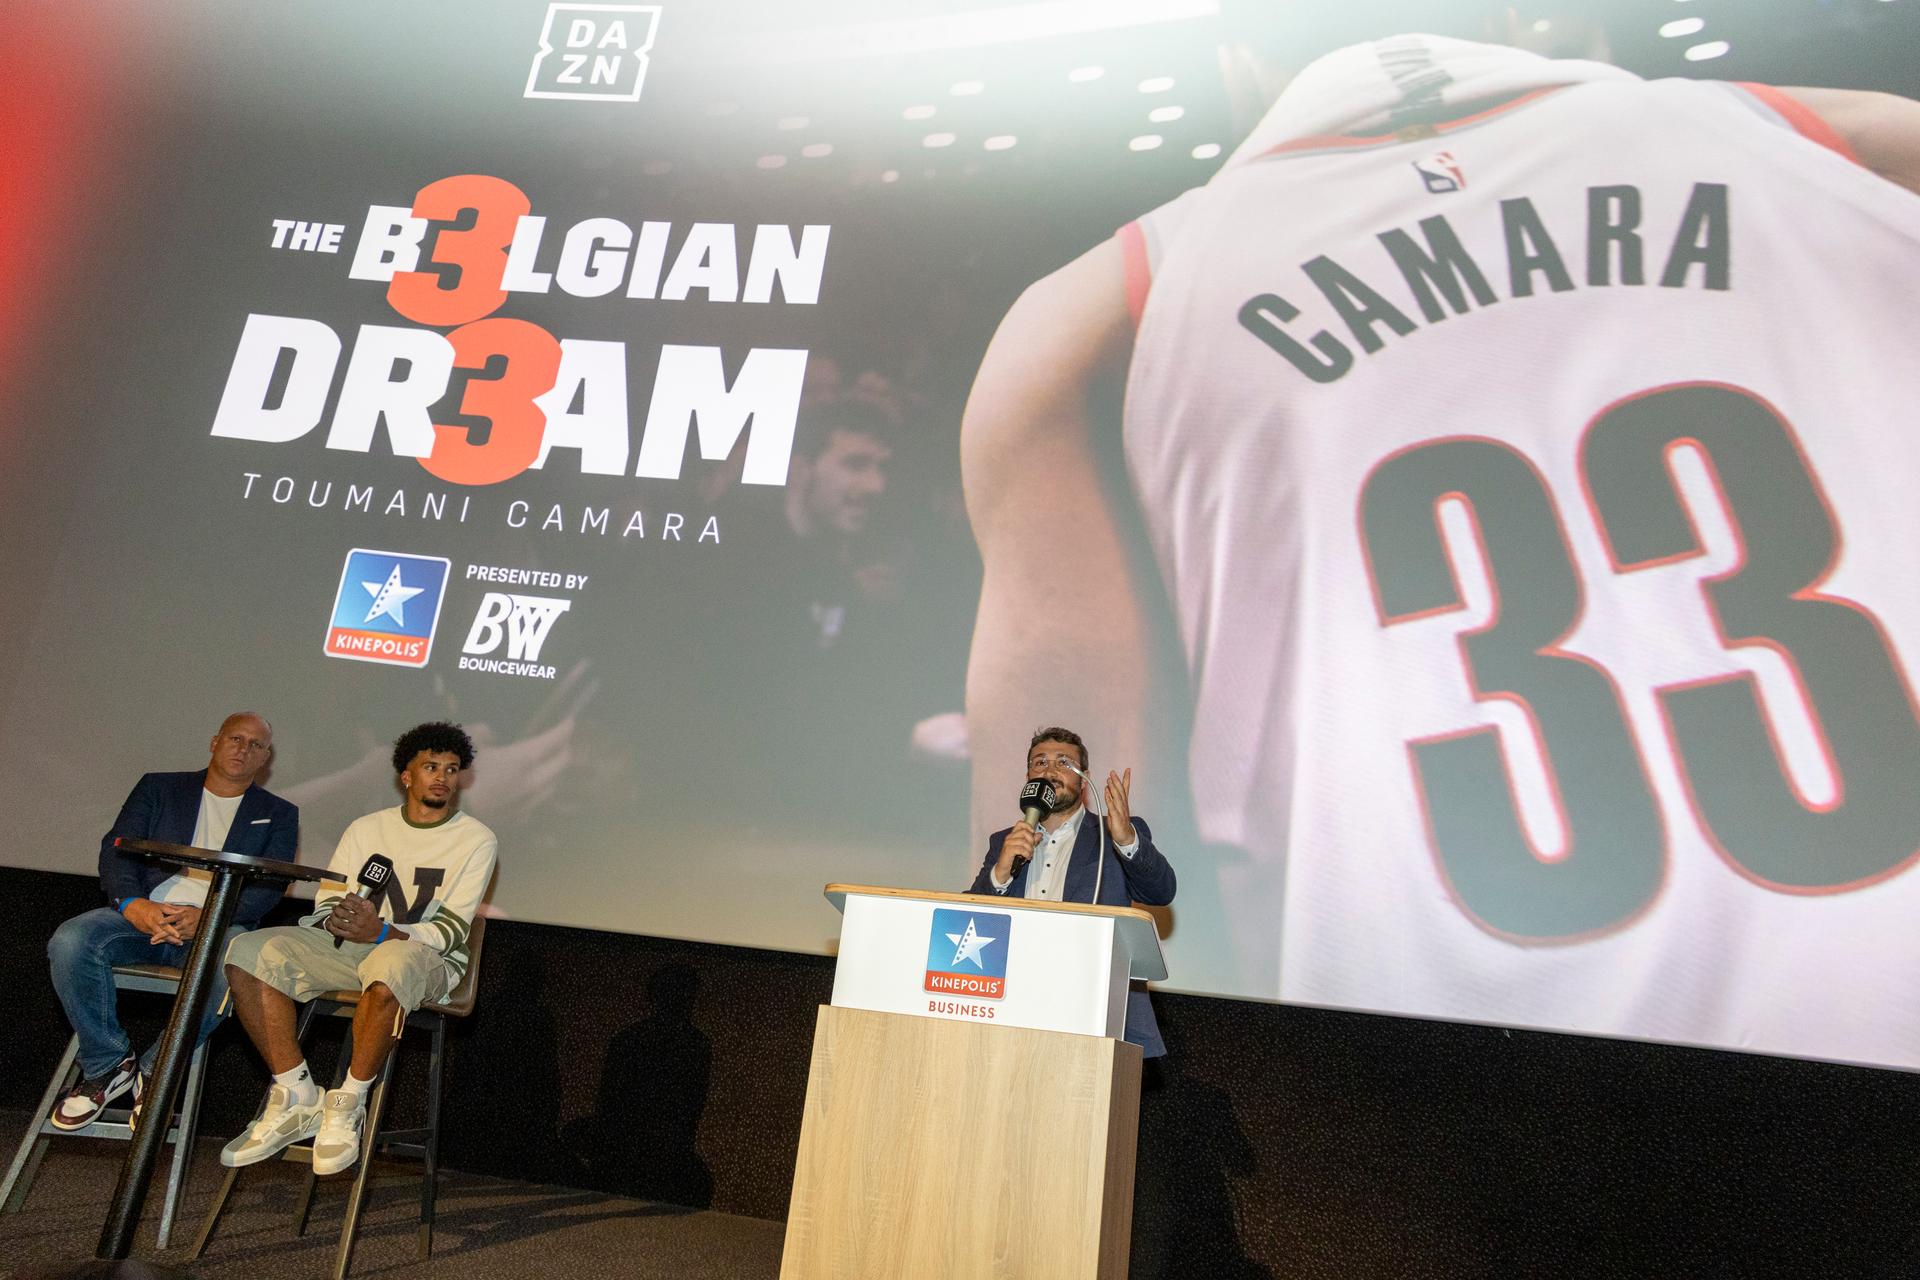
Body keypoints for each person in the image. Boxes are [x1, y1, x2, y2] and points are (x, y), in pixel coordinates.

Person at [961, 33, 1920, 1063]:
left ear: (1237, 55)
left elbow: (1048, 920)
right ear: (1580, 25)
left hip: (1465, 1146)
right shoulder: (1859, 154)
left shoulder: (1092, 325)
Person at [219, 721, 496, 1176]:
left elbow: (450, 930)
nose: (442, 777)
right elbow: (330, 895)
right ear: (406, 776)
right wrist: (342, 918)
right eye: (431, 767)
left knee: (391, 963)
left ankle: (347, 1104)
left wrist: (382, 932)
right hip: (351, 948)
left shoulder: (476, 839)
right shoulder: (367, 828)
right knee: (248, 952)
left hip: (424, 959)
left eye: (451, 769)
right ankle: (295, 1094)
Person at [45, 712, 297, 1130]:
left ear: (265, 758)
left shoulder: (279, 813)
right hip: (142, 919)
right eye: (236, 738)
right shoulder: (160, 787)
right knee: (71, 941)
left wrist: (209, 919)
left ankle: (155, 1070)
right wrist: (134, 906)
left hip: (215, 930)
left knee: (240, 965)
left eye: (255, 745)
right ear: (214, 742)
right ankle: (108, 1065)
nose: (243, 749)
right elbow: (117, 850)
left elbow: (270, 888)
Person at [967, 727, 1177, 1055]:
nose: (1049, 770)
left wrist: (1125, 840)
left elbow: (1161, 890)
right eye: (1039, 763)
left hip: (1092, 1011)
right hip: (1013, 1009)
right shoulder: (1004, 842)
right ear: (1027, 776)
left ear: (1084, 779)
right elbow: (965, 919)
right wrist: (999, 874)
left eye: (1063, 763)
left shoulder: (1112, 835)